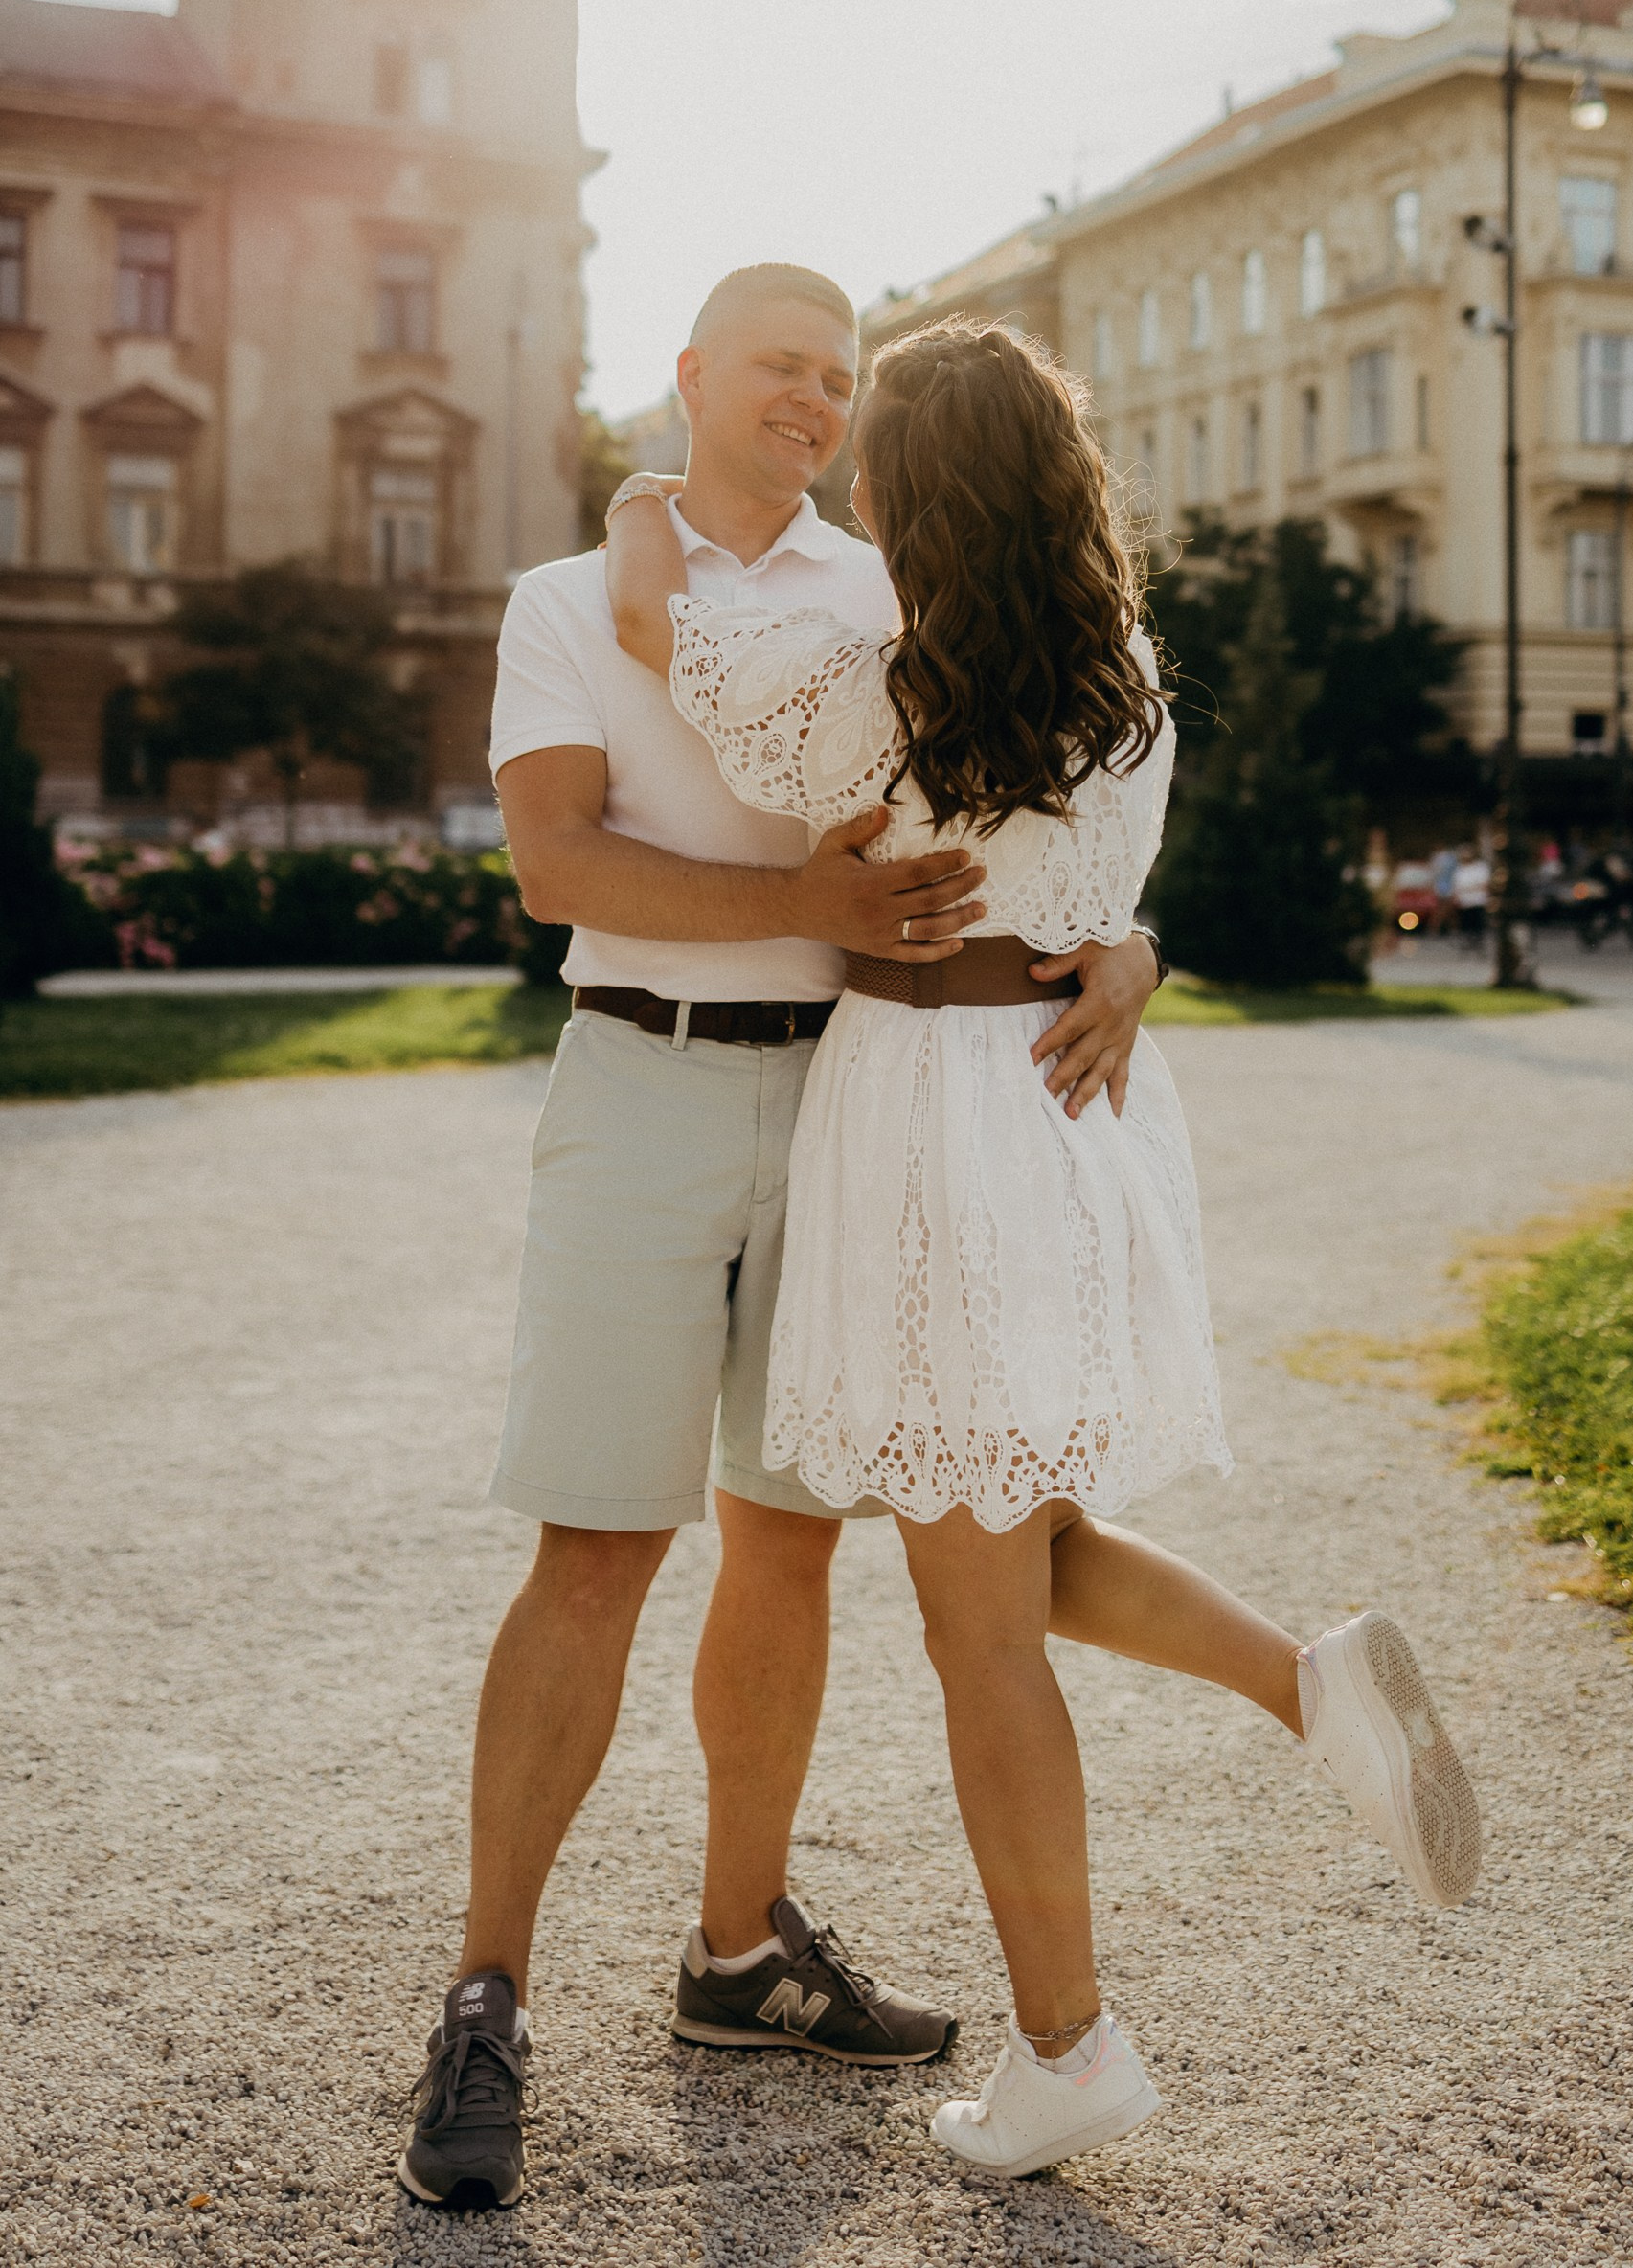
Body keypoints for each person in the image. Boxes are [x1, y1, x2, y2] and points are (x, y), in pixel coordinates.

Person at [605, 320, 1480, 2180]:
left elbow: (659, 642)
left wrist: (635, 508)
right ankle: (1307, 1687)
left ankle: (1070, 2043)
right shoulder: (1132, 683)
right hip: (1068, 1121)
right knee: (1026, 1538)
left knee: (976, 1624)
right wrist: (1138, 952)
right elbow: (1103, 910)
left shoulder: (873, 685)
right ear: (1062, 482)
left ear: (908, 496)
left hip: (927, 1119)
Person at [397, 267, 1163, 2210]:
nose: (815, 401)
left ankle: (738, 1951)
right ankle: (485, 1988)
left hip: (851, 1109)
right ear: (687, 378)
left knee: (794, 1537)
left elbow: (1029, 799)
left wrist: (1128, 946)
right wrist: (820, 907)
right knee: (593, 1543)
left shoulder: (888, 601)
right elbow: (557, 861)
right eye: (780, 368)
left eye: (842, 378)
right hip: (643, 1083)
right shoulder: (568, 601)